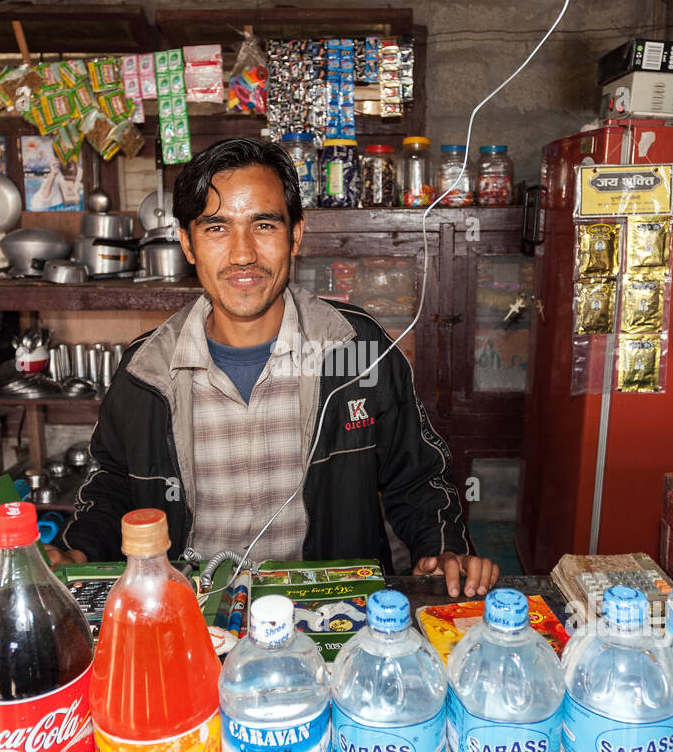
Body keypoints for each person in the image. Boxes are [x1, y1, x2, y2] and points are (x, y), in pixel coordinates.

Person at [50, 138, 498, 598]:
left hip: (331, 611)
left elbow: (418, 476)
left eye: (263, 225)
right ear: (187, 243)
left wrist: (445, 549)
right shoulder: (148, 371)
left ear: (296, 235)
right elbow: (111, 490)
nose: (243, 254)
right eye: (217, 229)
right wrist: (78, 550)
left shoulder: (353, 348)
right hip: (192, 613)